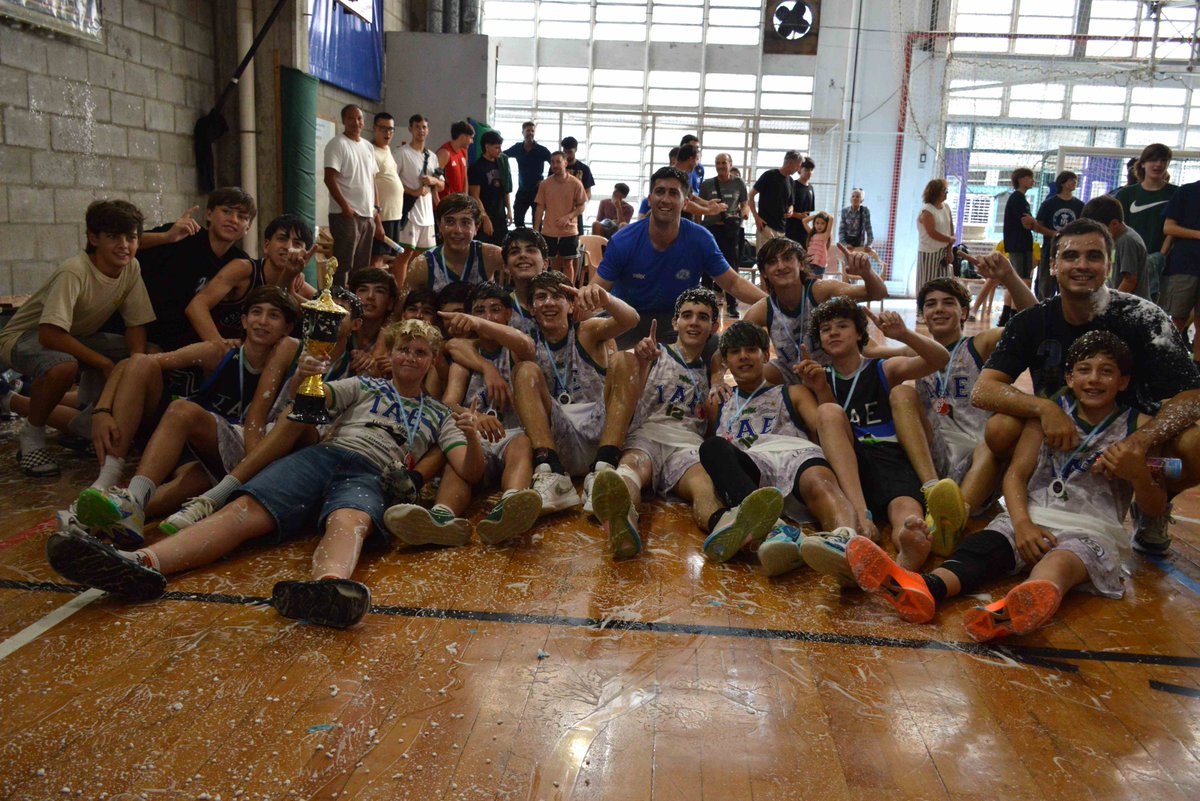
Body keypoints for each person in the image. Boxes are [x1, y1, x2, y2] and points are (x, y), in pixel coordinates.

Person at [46, 319, 484, 630]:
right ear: (391, 353)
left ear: (431, 362)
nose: (410, 356)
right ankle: (141, 563)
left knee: (351, 520)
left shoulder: (442, 414)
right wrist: (306, 378)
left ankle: (329, 587)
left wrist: (473, 437)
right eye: (403, 349)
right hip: (329, 454)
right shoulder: (364, 385)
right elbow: (315, 400)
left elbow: (468, 467)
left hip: (372, 473)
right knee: (244, 511)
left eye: (420, 352)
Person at [846, 332, 1168, 642]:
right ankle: (925, 587)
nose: (1094, 379)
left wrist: (1139, 474)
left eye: (1106, 372)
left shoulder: (1138, 428)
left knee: (1060, 563)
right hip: (1030, 515)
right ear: (1070, 377)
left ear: (1123, 381)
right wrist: (1023, 523)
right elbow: (1015, 475)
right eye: (1084, 370)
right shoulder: (1046, 417)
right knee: (981, 549)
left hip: (1091, 529)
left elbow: (1154, 508)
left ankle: (1017, 606)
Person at [972, 218, 1200, 555]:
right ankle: (1024, 495)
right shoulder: (1032, 320)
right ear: (1053, 265)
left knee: (1196, 442)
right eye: (1071, 256)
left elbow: (1193, 395)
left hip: (1129, 438)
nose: (1081, 265)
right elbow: (983, 390)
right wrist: (1044, 407)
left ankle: (1154, 506)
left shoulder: (1144, 316)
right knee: (1000, 428)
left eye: (1094, 256)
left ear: (1109, 265)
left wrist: (1140, 442)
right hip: (1060, 436)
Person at [66, 287, 300, 547]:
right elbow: (132, 363)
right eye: (256, 312)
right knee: (146, 366)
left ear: (287, 328)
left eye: (273, 315)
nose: (263, 321)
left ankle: (100, 517)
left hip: (215, 455)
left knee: (196, 483)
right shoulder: (219, 352)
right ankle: (108, 479)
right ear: (244, 320)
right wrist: (102, 410)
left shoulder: (290, 360)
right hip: (180, 433)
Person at [588, 288, 764, 561]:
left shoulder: (711, 366)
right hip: (647, 435)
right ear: (675, 323)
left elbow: (722, 360)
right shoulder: (653, 353)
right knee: (630, 470)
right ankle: (623, 524)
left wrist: (717, 380)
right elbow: (625, 383)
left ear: (713, 327)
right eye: (687, 316)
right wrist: (641, 360)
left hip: (686, 444)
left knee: (704, 486)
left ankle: (723, 526)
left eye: (703, 317)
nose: (694, 322)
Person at [793, 298, 950, 579]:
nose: (834, 332)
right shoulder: (819, 376)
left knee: (905, 509)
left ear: (859, 334)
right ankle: (861, 517)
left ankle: (909, 546)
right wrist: (820, 390)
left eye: (842, 326)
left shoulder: (881, 368)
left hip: (889, 455)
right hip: (850, 464)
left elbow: (940, 359)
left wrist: (904, 335)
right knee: (827, 411)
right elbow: (828, 429)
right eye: (826, 329)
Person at [0, 200, 155, 477]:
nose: (124, 245)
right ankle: (32, 437)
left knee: (151, 356)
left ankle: (87, 421)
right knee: (63, 366)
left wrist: (135, 363)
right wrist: (106, 365)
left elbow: (136, 324)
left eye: (131, 237)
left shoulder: (132, 268)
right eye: (113, 237)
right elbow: (48, 334)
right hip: (23, 336)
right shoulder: (75, 270)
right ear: (93, 238)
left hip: (75, 336)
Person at [894, 264, 1037, 555]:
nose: (939, 309)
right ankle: (931, 490)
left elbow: (1031, 321)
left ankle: (953, 519)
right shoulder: (917, 350)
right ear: (923, 315)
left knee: (991, 443)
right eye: (931, 304)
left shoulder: (979, 344)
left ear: (964, 312)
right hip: (935, 454)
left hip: (978, 458)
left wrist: (1009, 276)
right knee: (900, 393)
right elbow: (865, 354)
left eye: (949, 302)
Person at [385, 282, 542, 546]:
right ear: (470, 317)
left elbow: (523, 342)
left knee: (522, 443)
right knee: (455, 458)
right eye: (479, 311)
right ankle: (441, 518)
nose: (487, 317)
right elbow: (447, 404)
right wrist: (475, 418)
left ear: (508, 315)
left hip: (511, 434)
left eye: (495, 310)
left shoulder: (515, 351)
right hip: (475, 436)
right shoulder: (462, 358)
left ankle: (509, 507)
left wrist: (480, 326)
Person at [698, 320, 862, 572]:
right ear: (725, 362)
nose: (743, 357)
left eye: (751, 350)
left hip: (793, 453)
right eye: (735, 352)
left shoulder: (792, 392)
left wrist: (822, 389)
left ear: (765, 356)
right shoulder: (720, 403)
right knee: (711, 448)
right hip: (753, 466)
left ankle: (845, 541)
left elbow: (827, 429)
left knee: (820, 482)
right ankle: (775, 529)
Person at [595, 166, 766, 350]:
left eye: (674, 193)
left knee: (712, 345)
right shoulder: (623, 240)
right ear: (650, 199)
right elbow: (596, 289)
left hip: (674, 321)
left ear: (685, 203)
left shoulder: (700, 239)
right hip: (626, 319)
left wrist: (773, 305)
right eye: (659, 192)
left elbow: (733, 283)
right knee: (590, 336)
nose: (665, 199)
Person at [509, 270, 639, 511]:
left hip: (602, 431)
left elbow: (630, 320)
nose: (548, 302)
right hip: (557, 436)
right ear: (531, 307)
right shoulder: (527, 343)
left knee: (625, 360)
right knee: (524, 370)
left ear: (571, 304)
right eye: (541, 297)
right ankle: (551, 472)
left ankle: (604, 468)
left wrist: (606, 300)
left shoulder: (587, 331)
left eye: (557, 296)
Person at [742, 238, 887, 382]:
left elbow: (878, 293)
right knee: (754, 373)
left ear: (801, 264)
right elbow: (732, 343)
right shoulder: (763, 309)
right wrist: (719, 379)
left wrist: (867, 273)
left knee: (876, 352)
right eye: (772, 262)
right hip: (793, 373)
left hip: (832, 372)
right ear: (764, 273)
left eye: (787, 258)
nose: (781, 266)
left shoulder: (820, 290)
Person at [135, 187, 256, 354]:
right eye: (226, 211)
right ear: (209, 214)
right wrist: (166, 237)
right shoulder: (184, 235)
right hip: (148, 333)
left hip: (189, 340)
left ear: (248, 227)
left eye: (242, 217)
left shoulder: (240, 263)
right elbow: (127, 243)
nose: (233, 220)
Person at [185, 214, 318, 344]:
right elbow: (196, 307)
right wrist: (221, 348)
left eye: (297, 243)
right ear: (266, 245)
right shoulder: (243, 269)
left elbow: (332, 324)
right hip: (213, 354)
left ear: (306, 254)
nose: (289, 247)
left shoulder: (302, 288)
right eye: (282, 239)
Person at [323, 104, 381, 282]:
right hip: (346, 216)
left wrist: (376, 207)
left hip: (367, 215)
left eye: (359, 118)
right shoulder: (337, 144)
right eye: (351, 118)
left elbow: (371, 180)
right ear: (344, 121)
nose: (356, 122)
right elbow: (329, 178)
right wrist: (345, 207)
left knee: (362, 267)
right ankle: (338, 304)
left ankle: (357, 305)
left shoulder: (368, 147)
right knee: (343, 265)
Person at [1113, 143, 1177, 301]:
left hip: (1163, 262)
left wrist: (1161, 255)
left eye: (1163, 160)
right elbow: (1118, 228)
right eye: (1153, 160)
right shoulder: (1127, 194)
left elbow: (1175, 227)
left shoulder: (1175, 193)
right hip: (1128, 261)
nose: (1158, 164)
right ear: (1143, 163)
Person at [405, 193, 502, 294]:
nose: (457, 230)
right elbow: (403, 307)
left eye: (465, 222)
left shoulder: (490, 254)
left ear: (476, 227)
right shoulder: (422, 265)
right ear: (439, 225)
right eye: (450, 221)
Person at [391, 114, 444, 288]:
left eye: (424, 127)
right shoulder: (402, 153)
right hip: (410, 212)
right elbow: (392, 181)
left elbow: (441, 184)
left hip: (427, 213)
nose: (421, 130)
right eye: (417, 127)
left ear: (428, 130)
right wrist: (413, 191)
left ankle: (414, 291)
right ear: (410, 129)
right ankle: (400, 292)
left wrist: (433, 181)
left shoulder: (432, 156)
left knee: (423, 258)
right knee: (405, 254)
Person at [699, 153, 749, 317]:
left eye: (723, 163)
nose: (720, 166)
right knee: (707, 268)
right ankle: (705, 305)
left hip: (731, 232)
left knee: (731, 268)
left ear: (730, 164)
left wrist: (743, 214)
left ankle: (732, 305)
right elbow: (699, 208)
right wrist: (699, 229)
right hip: (711, 230)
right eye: (717, 163)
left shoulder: (738, 183)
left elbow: (744, 204)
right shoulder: (707, 185)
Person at [1161, 176, 1200, 363]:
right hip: (1184, 266)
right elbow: (1169, 227)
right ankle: (1167, 363)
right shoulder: (1187, 191)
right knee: (1177, 319)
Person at [1029, 170, 1084, 300]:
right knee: (1046, 285)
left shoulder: (1079, 205)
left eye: (1075, 180)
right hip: (1050, 249)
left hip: (1071, 250)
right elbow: (1037, 226)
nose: (1074, 183)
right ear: (1063, 183)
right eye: (1071, 180)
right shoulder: (1049, 203)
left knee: (1067, 284)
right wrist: (1054, 233)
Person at [1082, 195, 1149, 300]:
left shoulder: (1127, 241)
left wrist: (1111, 304)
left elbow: (1129, 280)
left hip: (1129, 306)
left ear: (1114, 223)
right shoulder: (1115, 238)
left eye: (1099, 229)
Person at [534, 152, 587, 280]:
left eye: (558, 162)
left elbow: (582, 206)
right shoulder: (545, 184)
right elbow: (540, 207)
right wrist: (536, 230)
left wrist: (568, 217)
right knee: (552, 263)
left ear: (565, 163)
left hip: (569, 231)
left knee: (568, 263)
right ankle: (555, 290)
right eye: (552, 162)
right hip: (549, 230)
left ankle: (570, 293)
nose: (555, 165)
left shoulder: (576, 183)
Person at [999, 167, 1036, 325]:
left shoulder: (1021, 199)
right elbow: (1026, 224)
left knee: (1019, 280)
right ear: (1020, 180)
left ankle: (1005, 316)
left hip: (1021, 244)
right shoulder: (1018, 199)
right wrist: (1035, 223)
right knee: (1022, 281)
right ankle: (1015, 318)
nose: (1032, 181)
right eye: (1029, 177)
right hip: (1019, 244)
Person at [369, 112, 404, 268]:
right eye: (383, 128)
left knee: (385, 260)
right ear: (374, 128)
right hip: (381, 217)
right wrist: (377, 221)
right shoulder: (370, 151)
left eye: (390, 129)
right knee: (375, 259)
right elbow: (370, 187)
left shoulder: (388, 150)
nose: (387, 133)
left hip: (394, 215)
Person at [505, 121, 552, 228]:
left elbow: (554, 164)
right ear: (522, 132)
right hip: (523, 190)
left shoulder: (541, 150)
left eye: (532, 131)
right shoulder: (517, 148)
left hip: (538, 190)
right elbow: (503, 155)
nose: (530, 133)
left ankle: (536, 243)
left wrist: (546, 181)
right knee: (518, 218)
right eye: (527, 130)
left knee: (537, 221)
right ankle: (523, 240)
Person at [468, 130, 511, 247]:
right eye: (497, 147)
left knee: (502, 250)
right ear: (487, 147)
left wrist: (509, 210)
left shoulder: (501, 164)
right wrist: (485, 218)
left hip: (500, 216)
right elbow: (475, 196)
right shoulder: (476, 167)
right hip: (485, 215)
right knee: (485, 251)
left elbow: (505, 189)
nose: (500, 151)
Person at [748, 151, 800, 245]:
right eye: (797, 166)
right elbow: (751, 195)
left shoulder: (791, 181)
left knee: (777, 258)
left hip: (781, 229)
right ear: (790, 163)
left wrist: (791, 210)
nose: (798, 169)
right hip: (765, 226)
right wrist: (756, 217)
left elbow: (791, 203)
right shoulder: (769, 175)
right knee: (763, 258)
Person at [916, 178, 955, 292]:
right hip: (929, 252)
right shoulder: (927, 210)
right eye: (944, 190)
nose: (946, 193)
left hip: (943, 251)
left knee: (943, 285)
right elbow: (932, 232)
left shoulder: (946, 207)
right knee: (927, 285)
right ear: (936, 192)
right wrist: (949, 239)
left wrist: (949, 249)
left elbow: (950, 226)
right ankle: (923, 309)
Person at [560, 136, 595, 235]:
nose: (567, 155)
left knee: (576, 238)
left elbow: (588, 192)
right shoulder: (557, 168)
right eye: (565, 152)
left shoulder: (584, 169)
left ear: (576, 150)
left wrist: (580, 204)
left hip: (576, 211)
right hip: (559, 209)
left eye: (570, 152)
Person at [436, 120, 475, 201]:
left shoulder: (464, 151)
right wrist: (438, 205)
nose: (472, 141)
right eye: (471, 138)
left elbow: (465, 177)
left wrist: (465, 199)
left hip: (458, 205)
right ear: (463, 137)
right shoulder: (444, 153)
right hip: (446, 205)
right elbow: (434, 183)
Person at [838, 189, 879, 263]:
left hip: (860, 246)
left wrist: (869, 245)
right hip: (847, 247)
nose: (855, 198)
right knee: (847, 267)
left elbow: (869, 229)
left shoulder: (865, 211)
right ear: (850, 199)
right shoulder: (844, 211)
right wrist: (845, 244)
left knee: (859, 267)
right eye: (853, 196)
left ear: (862, 200)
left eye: (857, 196)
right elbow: (841, 231)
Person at [785, 157, 816, 246]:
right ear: (799, 170)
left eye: (811, 169)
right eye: (806, 169)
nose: (809, 172)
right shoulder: (792, 185)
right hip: (790, 229)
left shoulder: (811, 188)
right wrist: (798, 215)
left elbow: (809, 211)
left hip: (804, 230)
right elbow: (784, 208)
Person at [806, 212, 833, 277]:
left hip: (820, 264)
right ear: (814, 224)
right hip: (810, 262)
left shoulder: (825, 236)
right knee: (808, 283)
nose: (819, 225)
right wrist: (816, 216)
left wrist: (823, 214)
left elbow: (831, 218)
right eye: (817, 223)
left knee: (817, 284)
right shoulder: (811, 234)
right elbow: (804, 221)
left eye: (822, 223)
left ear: (826, 225)